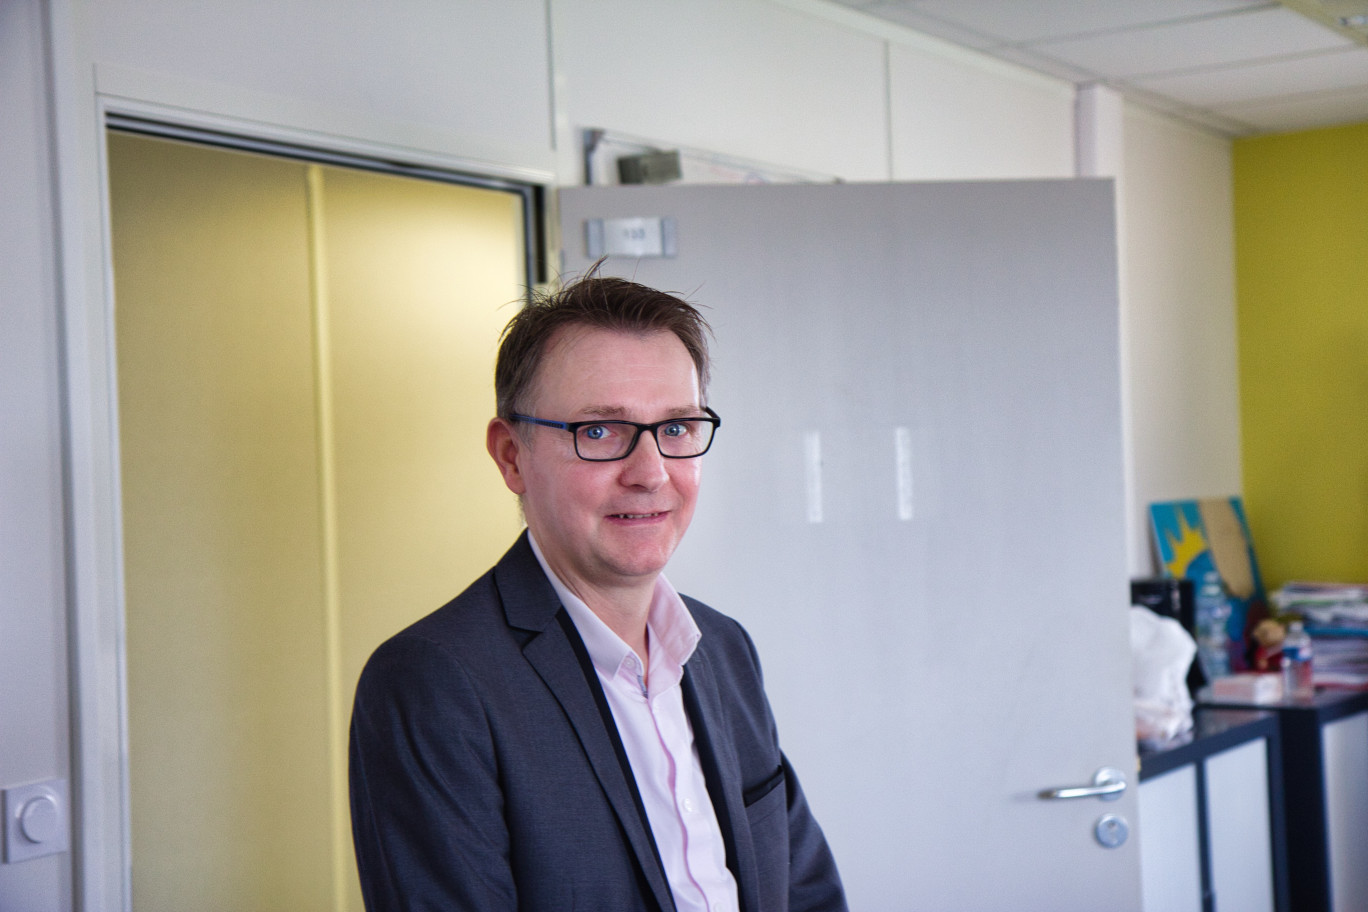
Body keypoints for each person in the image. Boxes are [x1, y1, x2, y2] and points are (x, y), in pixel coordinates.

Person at [349, 273, 847, 912]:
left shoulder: (723, 649)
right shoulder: (434, 683)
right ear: (511, 456)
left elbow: (805, 893)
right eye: (600, 432)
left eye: (675, 428)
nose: (650, 474)